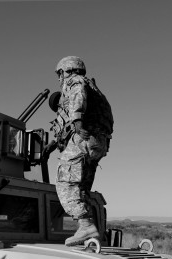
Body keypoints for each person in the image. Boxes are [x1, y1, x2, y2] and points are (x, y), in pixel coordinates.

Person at [49, 56, 114, 246]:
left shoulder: (75, 81)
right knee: (81, 188)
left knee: (65, 182)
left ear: (64, 71)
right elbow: (65, 129)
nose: (60, 79)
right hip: (98, 143)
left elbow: (78, 96)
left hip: (84, 138)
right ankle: (90, 234)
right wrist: (54, 143)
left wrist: (77, 119)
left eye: (60, 74)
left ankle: (85, 225)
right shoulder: (95, 90)